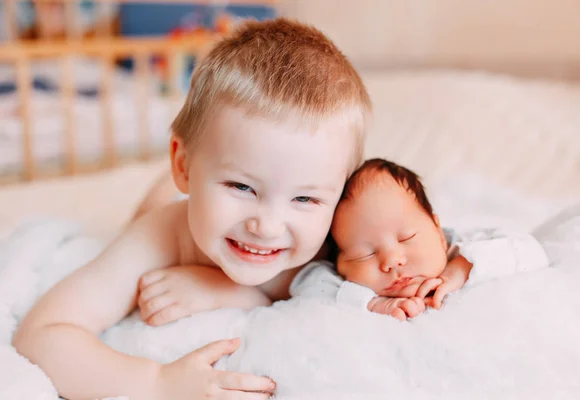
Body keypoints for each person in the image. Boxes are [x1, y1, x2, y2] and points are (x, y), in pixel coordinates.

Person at [13, 18, 371, 400]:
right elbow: (40, 334)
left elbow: (425, 247)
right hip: (171, 200)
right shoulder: (160, 235)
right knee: (154, 204)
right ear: (182, 166)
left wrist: (232, 291)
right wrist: (156, 383)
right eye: (241, 186)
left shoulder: (337, 240)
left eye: (305, 198)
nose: (266, 226)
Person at [289, 158, 550, 320]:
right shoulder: (345, 284)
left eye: (407, 238)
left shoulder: (466, 247)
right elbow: (304, 285)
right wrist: (371, 302)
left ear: (436, 228)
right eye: (365, 254)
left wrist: (463, 268)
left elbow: (531, 251)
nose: (391, 260)